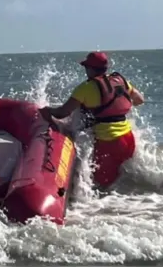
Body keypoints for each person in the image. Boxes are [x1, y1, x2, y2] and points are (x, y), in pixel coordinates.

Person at [39, 51, 145, 190]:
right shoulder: (120, 80)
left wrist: (46, 110)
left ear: (90, 69)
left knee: (102, 186)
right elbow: (139, 100)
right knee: (121, 181)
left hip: (109, 142)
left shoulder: (86, 88)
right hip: (128, 138)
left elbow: (62, 113)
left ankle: (103, 209)